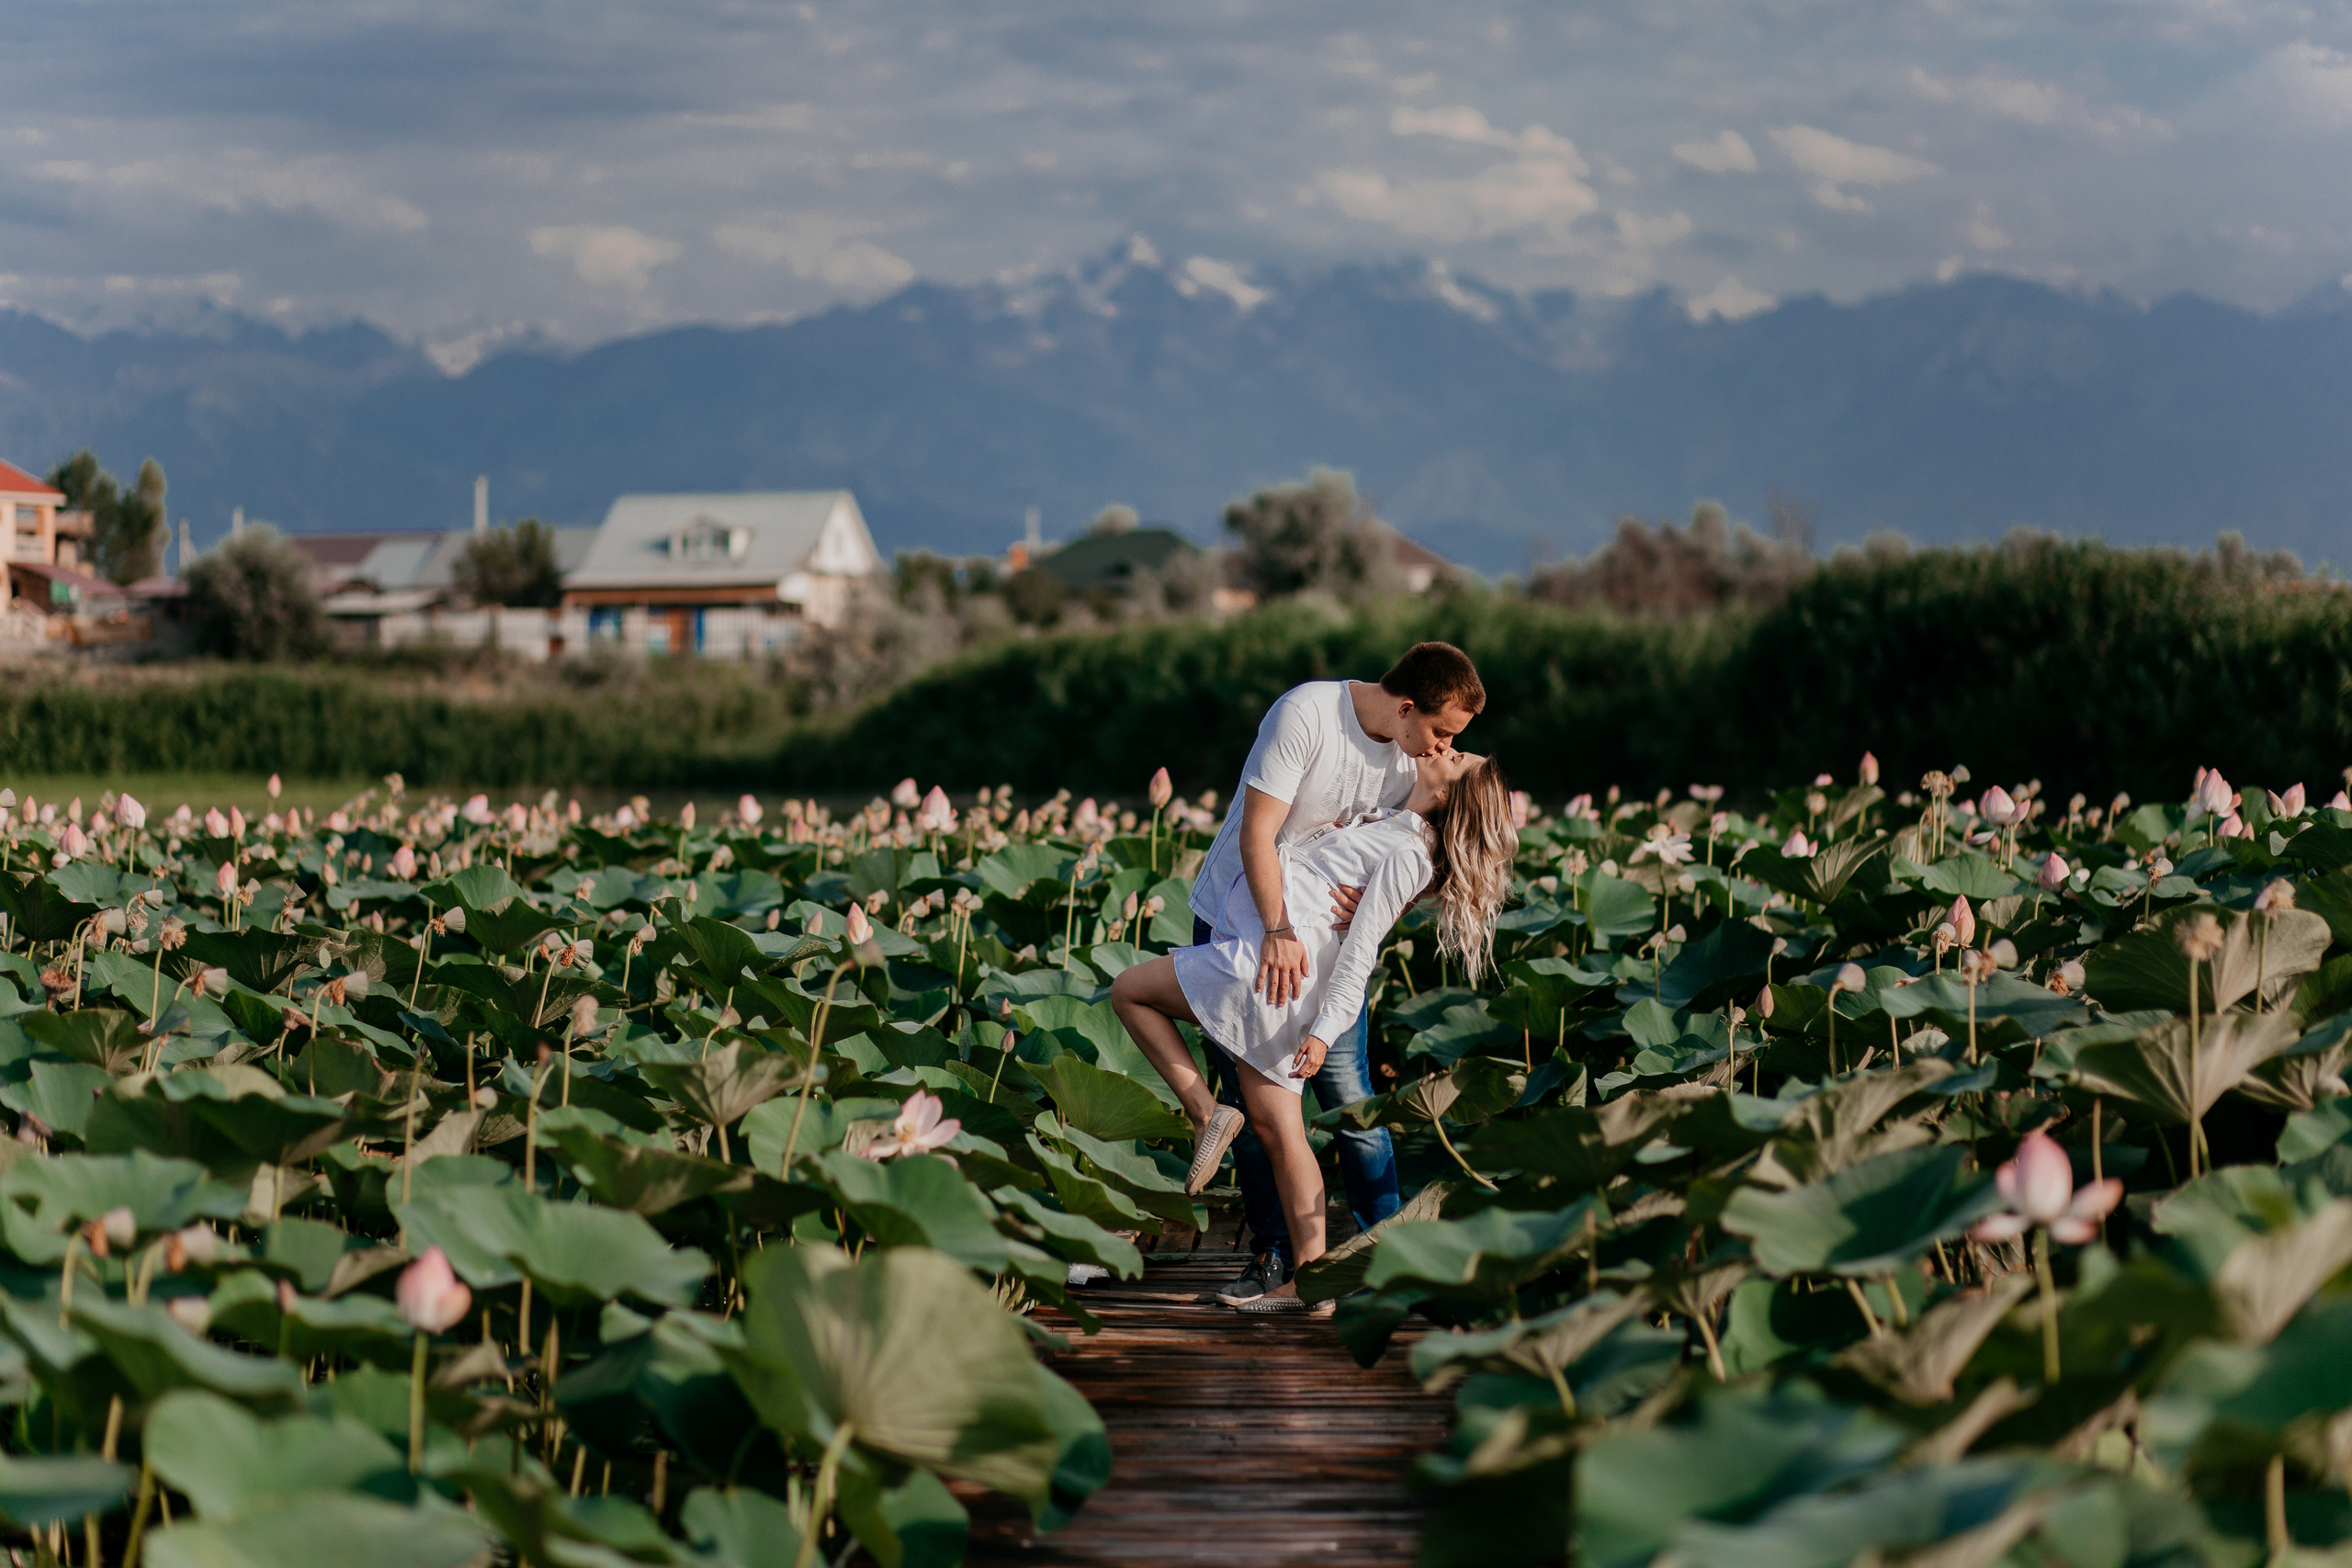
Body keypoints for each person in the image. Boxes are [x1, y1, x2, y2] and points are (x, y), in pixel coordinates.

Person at [1111, 749, 1518, 1312]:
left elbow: (1361, 953)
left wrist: (1325, 1031)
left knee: (1129, 991)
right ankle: (1310, 1284)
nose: (1441, 748)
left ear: (1446, 794)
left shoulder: (1408, 853)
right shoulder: (1392, 823)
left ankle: (1207, 1114)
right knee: (1283, 1137)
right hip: (1270, 971)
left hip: (1267, 973)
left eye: (1454, 756)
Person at [1174, 641, 1487, 1305]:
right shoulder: (1307, 714)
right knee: (1254, 1107)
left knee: (1352, 1099)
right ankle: (1275, 1255)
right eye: (1441, 732)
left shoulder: (1416, 759)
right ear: (1407, 708)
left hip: (1327, 950)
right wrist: (1278, 930)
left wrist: (1382, 906)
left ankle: (1388, 1261)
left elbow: (1431, 851)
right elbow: (1259, 833)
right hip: (1240, 922)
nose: (1443, 748)